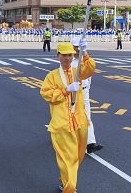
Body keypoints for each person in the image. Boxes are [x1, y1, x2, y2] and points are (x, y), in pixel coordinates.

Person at [40, 42, 96, 193]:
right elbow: (46, 93)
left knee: (77, 156)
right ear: (57, 56)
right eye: (64, 55)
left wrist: (84, 53)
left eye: (70, 55)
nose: (67, 58)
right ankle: (69, 188)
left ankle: (64, 180)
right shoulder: (52, 76)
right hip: (62, 124)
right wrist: (66, 90)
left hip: (79, 122)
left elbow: (90, 69)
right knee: (69, 159)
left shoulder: (77, 71)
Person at [71, 38, 103, 154]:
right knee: (69, 117)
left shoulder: (86, 61)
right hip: (71, 93)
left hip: (84, 93)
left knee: (87, 117)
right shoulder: (69, 61)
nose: (77, 50)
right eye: (76, 47)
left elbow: (91, 67)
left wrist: (85, 53)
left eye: (79, 48)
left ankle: (90, 143)